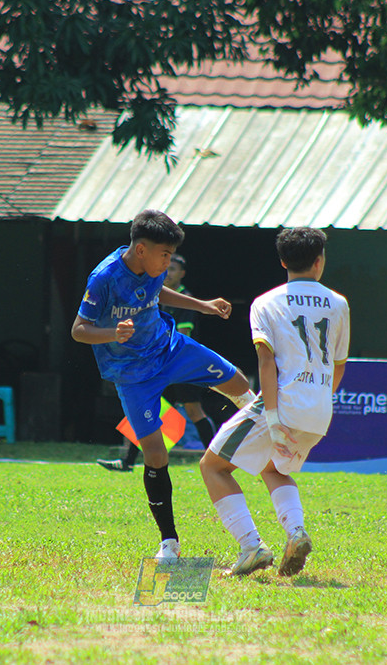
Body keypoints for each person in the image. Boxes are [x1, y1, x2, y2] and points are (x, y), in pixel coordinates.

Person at [71, 210, 256, 561]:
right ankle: (168, 542)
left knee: (238, 382)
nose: (168, 264)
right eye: (165, 256)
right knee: (156, 454)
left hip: (169, 348)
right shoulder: (104, 277)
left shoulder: (154, 270)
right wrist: (113, 333)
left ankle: (262, 442)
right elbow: (79, 330)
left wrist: (202, 306)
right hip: (132, 373)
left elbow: (160, 295)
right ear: (141, 249)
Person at [200, 227, 349, 576]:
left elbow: (266, 363)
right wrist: (317, 403)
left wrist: (271, 416)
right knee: (274, 468)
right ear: (319, 261)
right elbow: (339, 364)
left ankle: (251, 546)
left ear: (283, 261)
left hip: (281, 402)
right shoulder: (338, 303)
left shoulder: (265, 303)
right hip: (318, 408)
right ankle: (296, 533)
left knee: (212, 466)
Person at [96, 253, 218, 472]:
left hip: (179, 363)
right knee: (148, 406)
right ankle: (128, 460)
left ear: (182, 274)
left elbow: (183, 333)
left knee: (193, 411)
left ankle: (217, 459)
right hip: (159, 364)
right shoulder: (152, 295)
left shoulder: (184, 298)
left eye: (173, 269)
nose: (168, 273)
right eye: (166, 268)